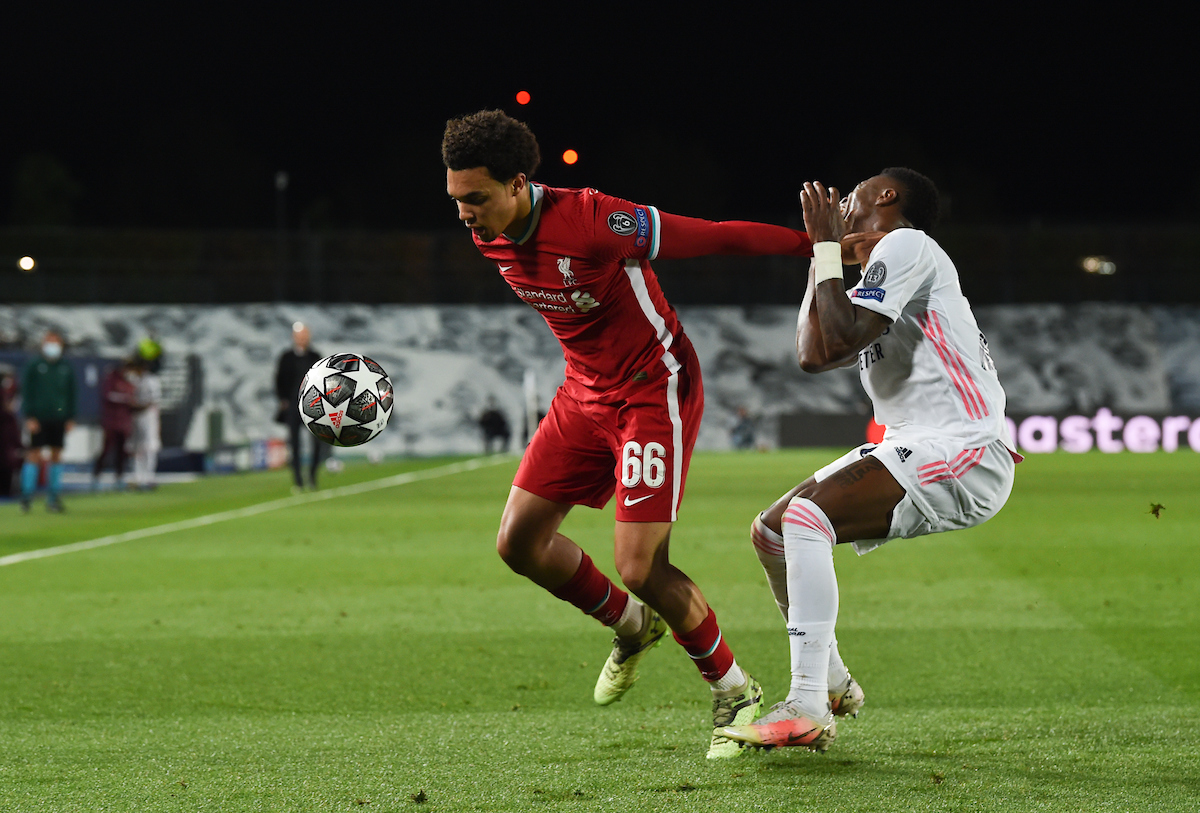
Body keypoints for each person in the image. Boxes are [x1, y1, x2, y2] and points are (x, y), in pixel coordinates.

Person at [442, 109, 817, 758]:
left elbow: (716, 237)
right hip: (582, 393)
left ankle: (734, 687)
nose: (464, 215)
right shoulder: (488, 231)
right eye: (454, 200)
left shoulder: (595, 220)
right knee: (518, 543)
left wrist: (817, 246)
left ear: (518, 184)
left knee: (640, 563)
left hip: (652, 387)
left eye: (475, 199)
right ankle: (630, 624)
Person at [721, 169, 1020, 753]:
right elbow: (814, 354)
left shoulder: (906, 244)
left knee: (807, 517)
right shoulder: (876, 273)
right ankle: (831, 681)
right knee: (772, 532)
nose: (845, 199)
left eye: (857, 189)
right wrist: (821, 255)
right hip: (918, 441)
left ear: (887, 196)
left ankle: (806, 704)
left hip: (964, 447)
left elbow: (835, 340)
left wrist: (829, 247)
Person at [19, 330, 77, 512]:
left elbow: (72, 394)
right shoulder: (35, 365)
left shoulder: (65, 367)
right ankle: (27, 496)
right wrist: (29, 416)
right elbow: (26, 392)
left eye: (55, 342)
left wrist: (70, 417)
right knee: (34, 454)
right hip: (39, 417)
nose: (52, 345)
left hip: (59, 418)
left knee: (57, 454)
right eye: (49, 341)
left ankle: (53, 497)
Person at [275, 322, 323, 492]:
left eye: (304, 336)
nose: (302, 339)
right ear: (294, 338)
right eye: (299, 336)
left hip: (313, 406)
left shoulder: (315, 356)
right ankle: (298, 481)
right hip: (293, 406)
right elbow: (279, 379)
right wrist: (283, 399)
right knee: (294, 444)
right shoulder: (286, 357)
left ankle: (312, 477)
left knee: (317, 442)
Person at [92, 358, 138, 490]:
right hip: (111, 421)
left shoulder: (129, 383)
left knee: (122, 451)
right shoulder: (111, 379)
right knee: (106, 449)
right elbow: (108, 396)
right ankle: (96, 476)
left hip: (124, 422)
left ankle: (119, 477)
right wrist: (126, 400)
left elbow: (133, 398)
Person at [130, 350, 162, 491]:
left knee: (149, 446)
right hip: (135, 416)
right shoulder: (133, 380)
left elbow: (153, 401)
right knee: (137, 447)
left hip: (148, 416)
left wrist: (138, 407)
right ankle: (137, 477)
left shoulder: (152, 381)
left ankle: (149, 477)